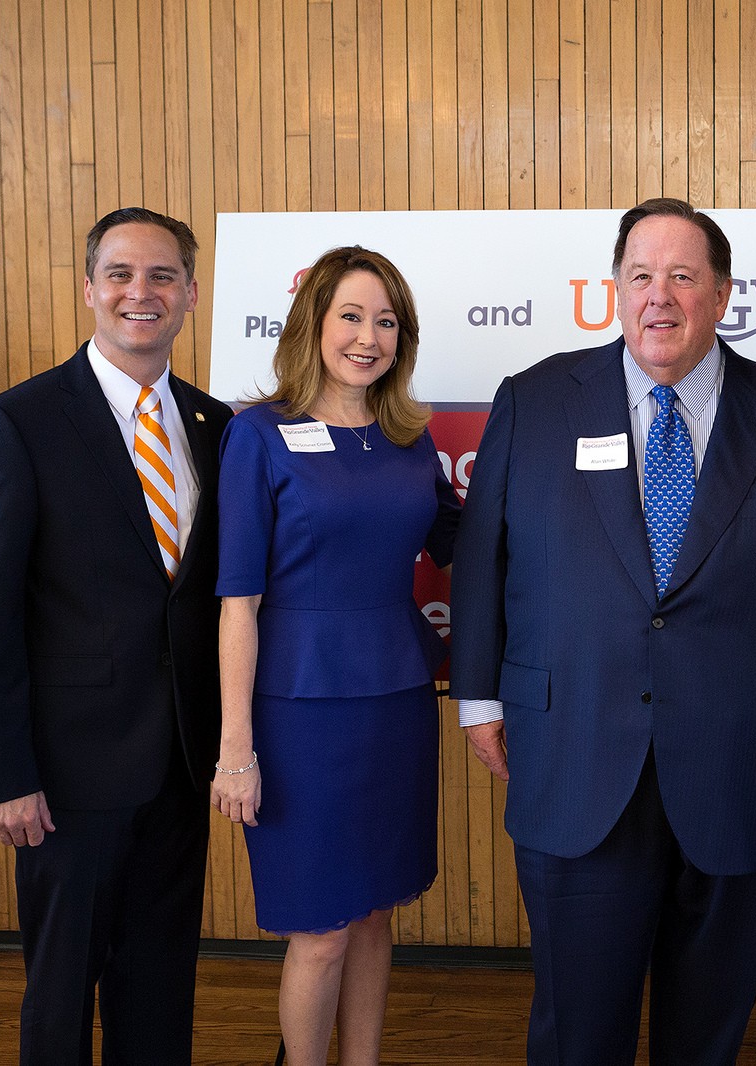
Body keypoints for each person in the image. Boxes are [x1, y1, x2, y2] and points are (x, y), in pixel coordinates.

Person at [450, 197, 756, 1065]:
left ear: (722, 293)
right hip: (576, 753)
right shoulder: (535, 401)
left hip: (747, 761)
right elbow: (485, 558)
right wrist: (479, 697)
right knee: (577, 1031)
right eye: (640, 276)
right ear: (614, 290)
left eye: (682, 276)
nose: (658, 297)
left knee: (708, 1032)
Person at [0, 207, 233, 1064]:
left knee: (160, 988)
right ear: (89, 290)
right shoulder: (17, 424)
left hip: (182, 768)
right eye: (120, 275)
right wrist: (2, 776)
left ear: (189, 292)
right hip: (66, 779)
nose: (139, 293)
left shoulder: (217, 428)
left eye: (161, 277)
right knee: (62, 995)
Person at [210, 246, 459, 1066]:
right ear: (313, 322)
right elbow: (237, 602)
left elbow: (476, 543)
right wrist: (236, 748)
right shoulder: (258, 435)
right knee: (319, 931)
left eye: (386, 321)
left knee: (379, 913)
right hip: (297, 716)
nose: (369, 336)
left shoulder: (411, 442)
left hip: (395, 703)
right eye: (351, 316)